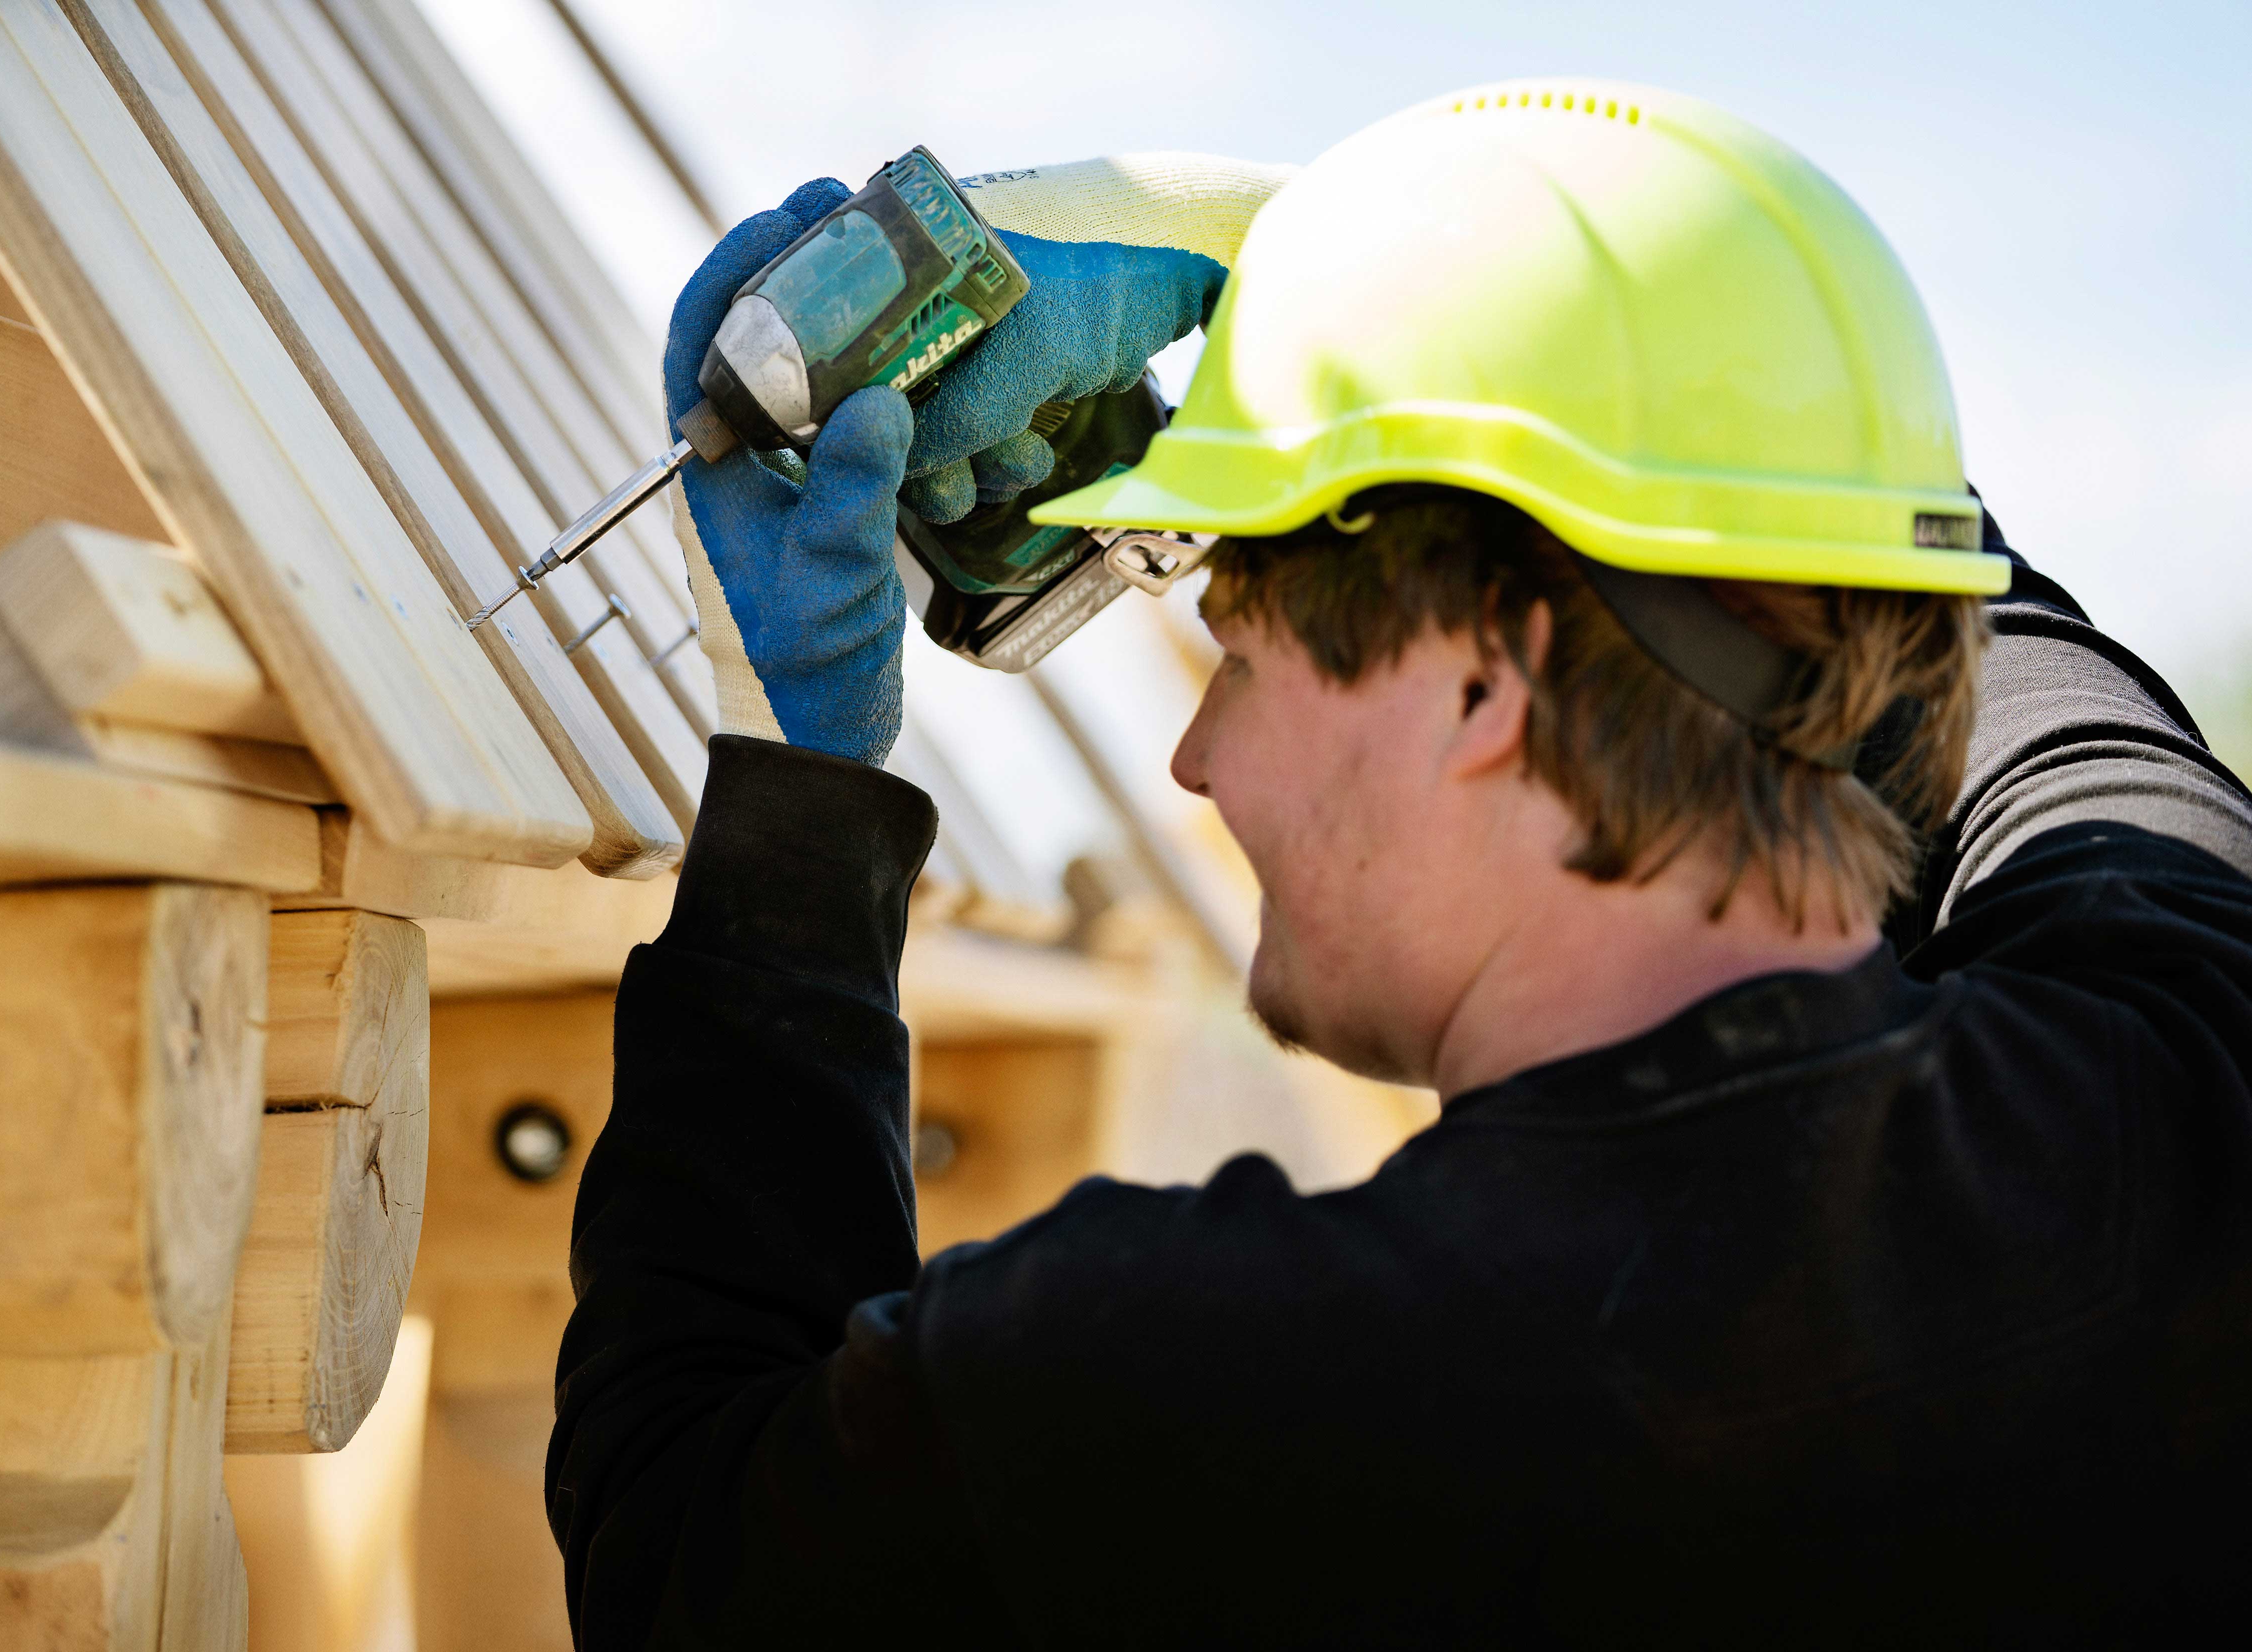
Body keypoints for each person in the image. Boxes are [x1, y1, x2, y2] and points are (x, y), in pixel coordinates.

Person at [544, 82, 2252, 1647]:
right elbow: (2007, 666)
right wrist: (1433, 302)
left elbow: (682, 1535)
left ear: (1479, 683)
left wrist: (792, 799)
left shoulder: (1185, 1387)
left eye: (1244, 648)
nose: (1194, 758)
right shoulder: (2182, 1098)